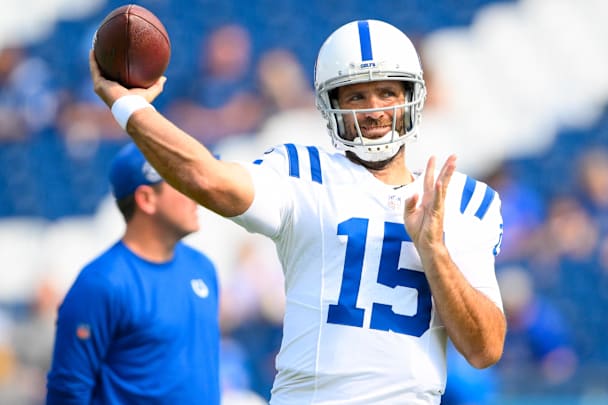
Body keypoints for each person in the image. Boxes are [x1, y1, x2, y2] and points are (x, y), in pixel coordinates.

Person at [88, 19, 506, 404]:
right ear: (330, 106)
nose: (374, 110)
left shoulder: (463, 202)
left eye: (387, 93)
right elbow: (206, 177)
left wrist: (435, 251)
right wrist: (129, 107)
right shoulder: (303, 175)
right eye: (356, 95)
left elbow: (484, 348)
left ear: (412, 97)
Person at [45, 143, 220, 404]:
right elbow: (68, 390)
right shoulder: (101, 284)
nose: (196, 192)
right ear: (146, 199)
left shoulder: (202, 267)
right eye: (182, 182)